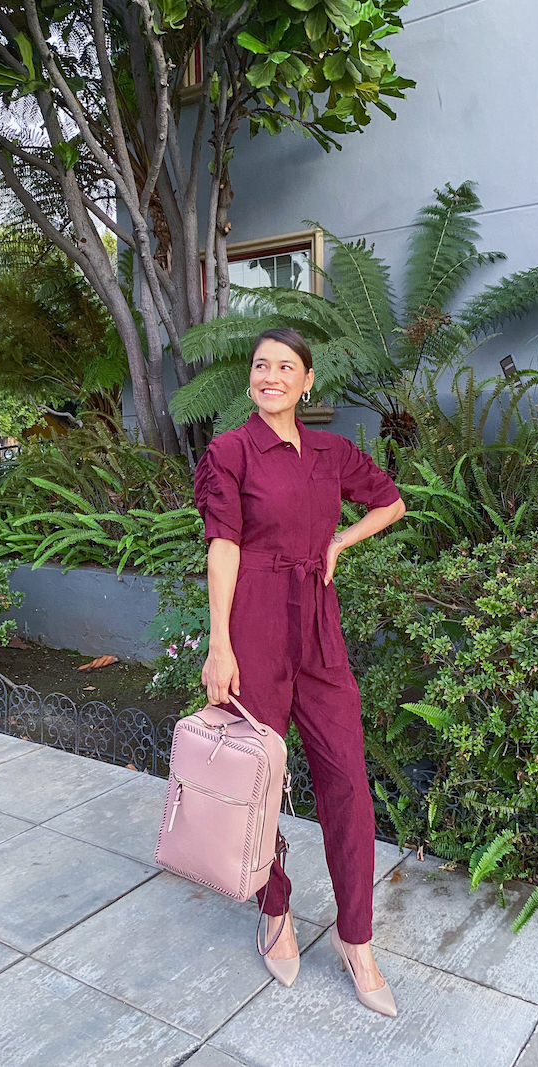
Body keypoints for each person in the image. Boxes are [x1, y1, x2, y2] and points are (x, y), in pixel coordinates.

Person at [194, 327, 406, 1018]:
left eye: (286, 365)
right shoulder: (229, 452)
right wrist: (220, 645)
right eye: (261, 365)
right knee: (261, 778)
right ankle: (275, 907)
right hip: (254, 622)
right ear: (251, 379)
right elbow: (223, 548)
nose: (271, 375)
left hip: (318, 626)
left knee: (347, 777)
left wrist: (342, 538)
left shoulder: (331, 451)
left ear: (308, 380)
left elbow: (392, 501)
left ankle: (357, 937)